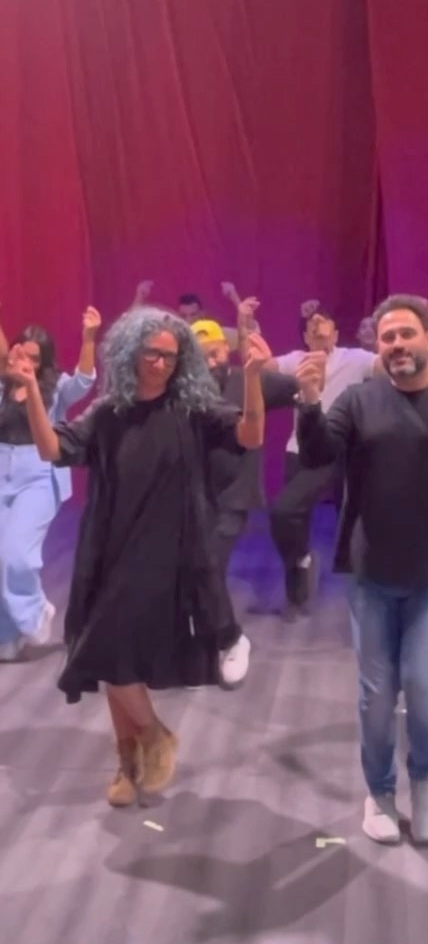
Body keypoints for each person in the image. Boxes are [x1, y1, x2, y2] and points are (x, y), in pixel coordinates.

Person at [6, 307, 267, 807]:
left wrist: (252, 378)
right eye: (152, 353)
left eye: (171, 356)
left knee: (105, 648)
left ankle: (150, 737)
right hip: (109, 547)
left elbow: (250, 436)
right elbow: (52, 449)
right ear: (130, 352)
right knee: (111, 656)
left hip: (170, 551)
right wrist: (34, 392)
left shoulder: (192, 409)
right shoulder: (108, 413)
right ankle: (133, 759)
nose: (161, 364)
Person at [294, 294, 428, 845]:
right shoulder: (360, 399)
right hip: (372, 571)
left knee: (423, 685)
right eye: (387, 337)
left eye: (405, 334)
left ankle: (425, 780)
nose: (396, 344)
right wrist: (309, 404)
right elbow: (319, 453)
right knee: (376, 693)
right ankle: (379, 791)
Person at [192, 317, 297, 684]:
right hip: (194, 495)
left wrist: (270, 367)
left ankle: (232, 639)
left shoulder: (248, 380)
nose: (211, 362)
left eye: (215, 353)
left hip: (234, 494)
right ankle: (204, 645)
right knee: (195, 570)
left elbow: (296, 388)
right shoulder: (186, 392)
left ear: (227, 349)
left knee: (208, 566)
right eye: (202, 356)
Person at [0, 307, 100, 660]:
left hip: (39, 475)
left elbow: (84, 381)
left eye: (34, 358)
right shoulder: (3, 384)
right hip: (2, 471)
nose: (26, 362)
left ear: (43, 363)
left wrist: (89, 338)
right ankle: (7, 633)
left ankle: (36, 610)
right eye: (21, 354)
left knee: (17, 555)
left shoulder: (54, 387)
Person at [266, 303, 378, 617]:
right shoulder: (296, 360)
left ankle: (353, 582)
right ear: (305, 337)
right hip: (297, 449)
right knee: (291, 521)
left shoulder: (354, 358)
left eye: (323, 322)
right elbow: (262, 367)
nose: (317, 325)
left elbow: (386, 366)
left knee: (285, 510)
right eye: (312, 325)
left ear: (336, 334)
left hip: (333, 450)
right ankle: (297, 588)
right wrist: (246, 328)